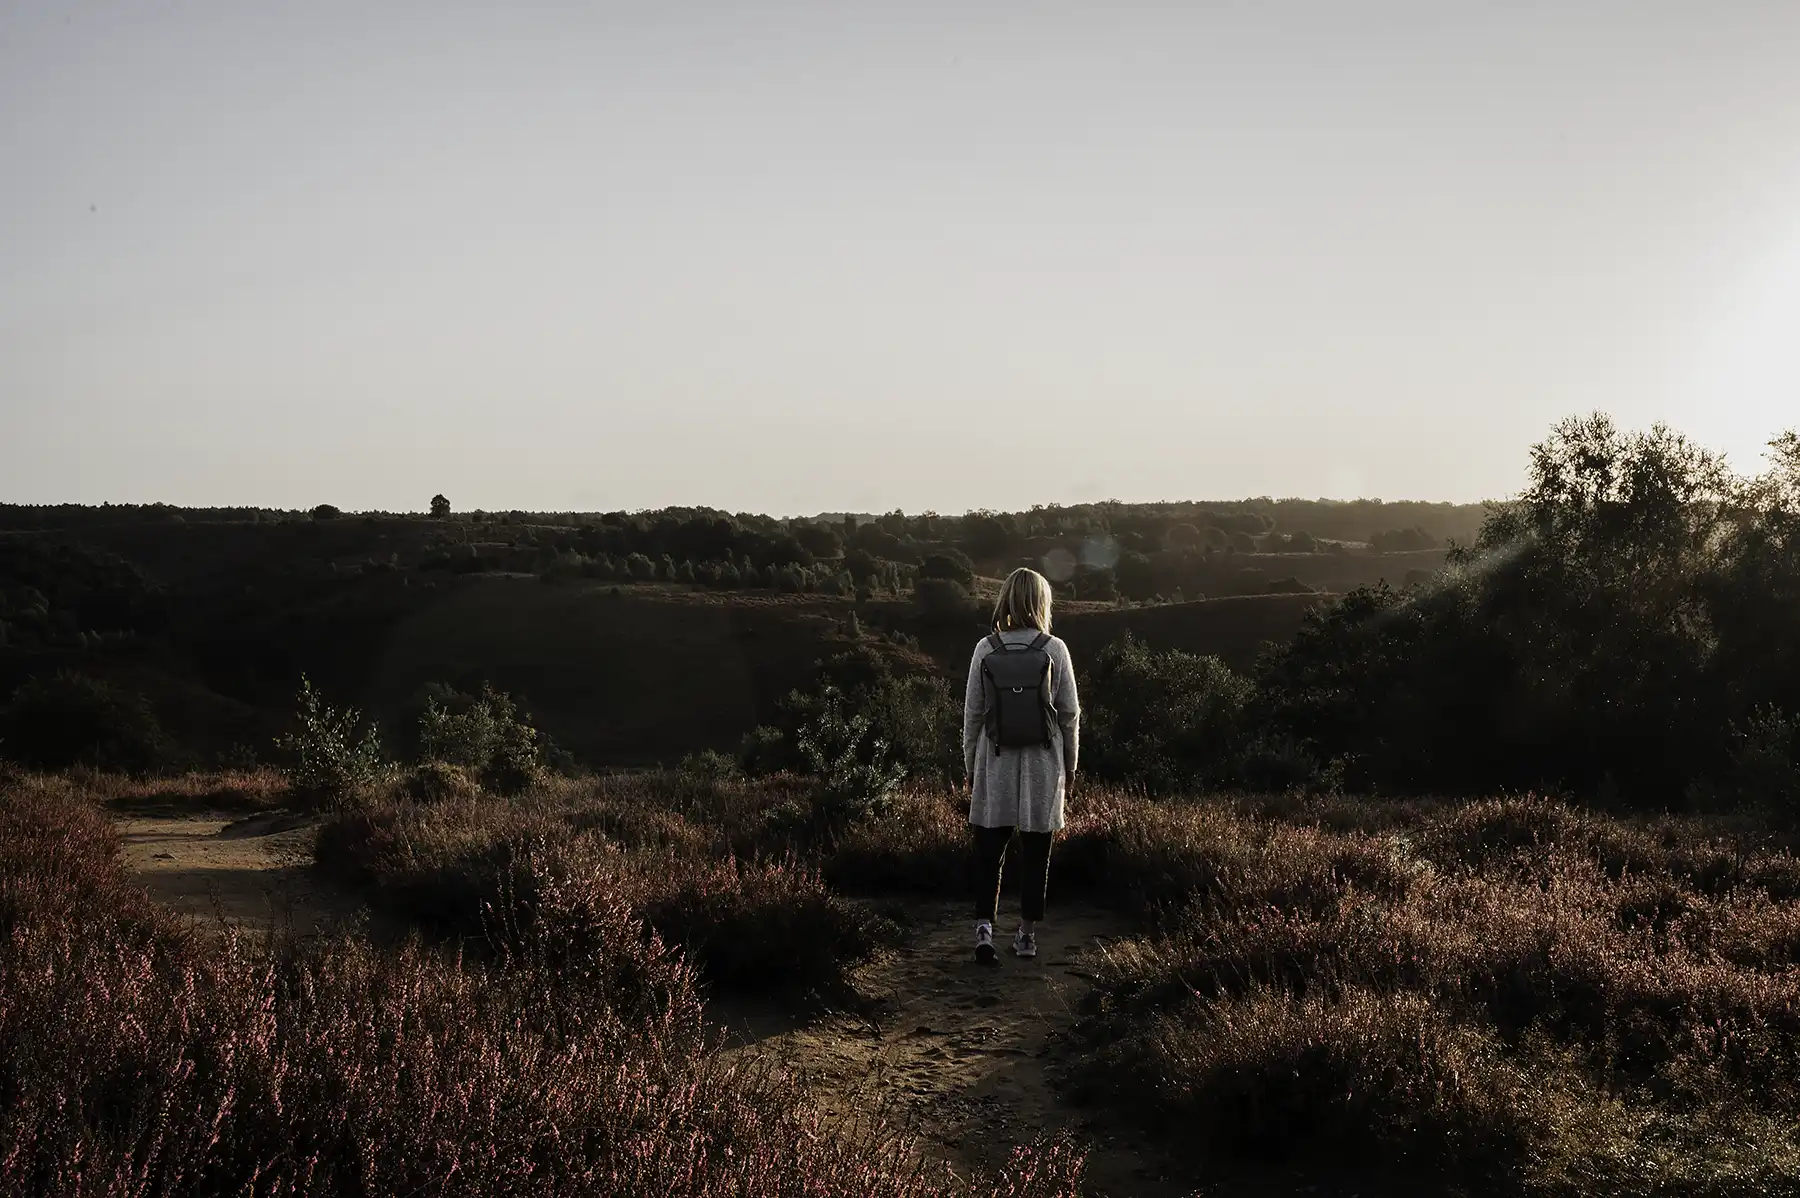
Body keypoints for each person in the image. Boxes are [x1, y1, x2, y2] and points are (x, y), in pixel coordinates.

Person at [963, 566, 1080, 963]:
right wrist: (1071, 765)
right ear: (1042, 602)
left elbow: (973, 715)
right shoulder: (1055, 649)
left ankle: (983, 932)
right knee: (1036, 852)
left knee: (989, 851)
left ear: (1006, 600)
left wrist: (970, 766)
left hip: (994, 761)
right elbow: (1069, 715)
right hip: (1043, 764)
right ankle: (1026, 936)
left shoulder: (986, 648)